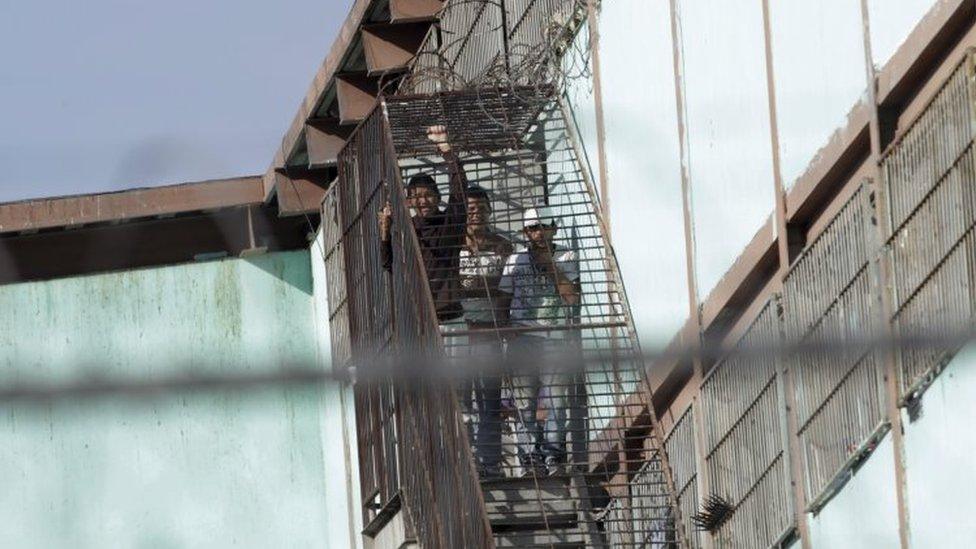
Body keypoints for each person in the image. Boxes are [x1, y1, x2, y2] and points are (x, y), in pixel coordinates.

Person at [498, 206, 581, 477]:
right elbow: (503, 297)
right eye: (532, 228)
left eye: (543, 226)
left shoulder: (566, 256)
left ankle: (554, 457)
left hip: (554, 337)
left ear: (554, 228)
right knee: (524, 402)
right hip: (522, 338)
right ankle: (530, 458)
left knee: (557, 399)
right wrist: (505, 329)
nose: (538, 233)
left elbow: (572, 297)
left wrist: (550, 265)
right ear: (525, 232)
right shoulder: (516, 260)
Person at [379, 125, 467, 323]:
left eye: (428, 195)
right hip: (420, 318)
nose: (423, 201)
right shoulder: (407, 229)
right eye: (416, 197)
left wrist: (446, 149)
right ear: (408, 201)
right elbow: (388, 264)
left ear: (438, 197)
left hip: (450, 317)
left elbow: (459, 190)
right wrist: (385, 231)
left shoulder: (449, 223)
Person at [457, 185, 514, 478]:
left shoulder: (502, 246)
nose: (476, 213)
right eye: (470, 208)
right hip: (458, 333)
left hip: (490, 333)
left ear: (490, 210)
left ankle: (489, 463)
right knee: (461, 401)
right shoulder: (453, 246)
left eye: (481, 207)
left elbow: (508, 291)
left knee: (489, 400)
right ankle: (466, 463)